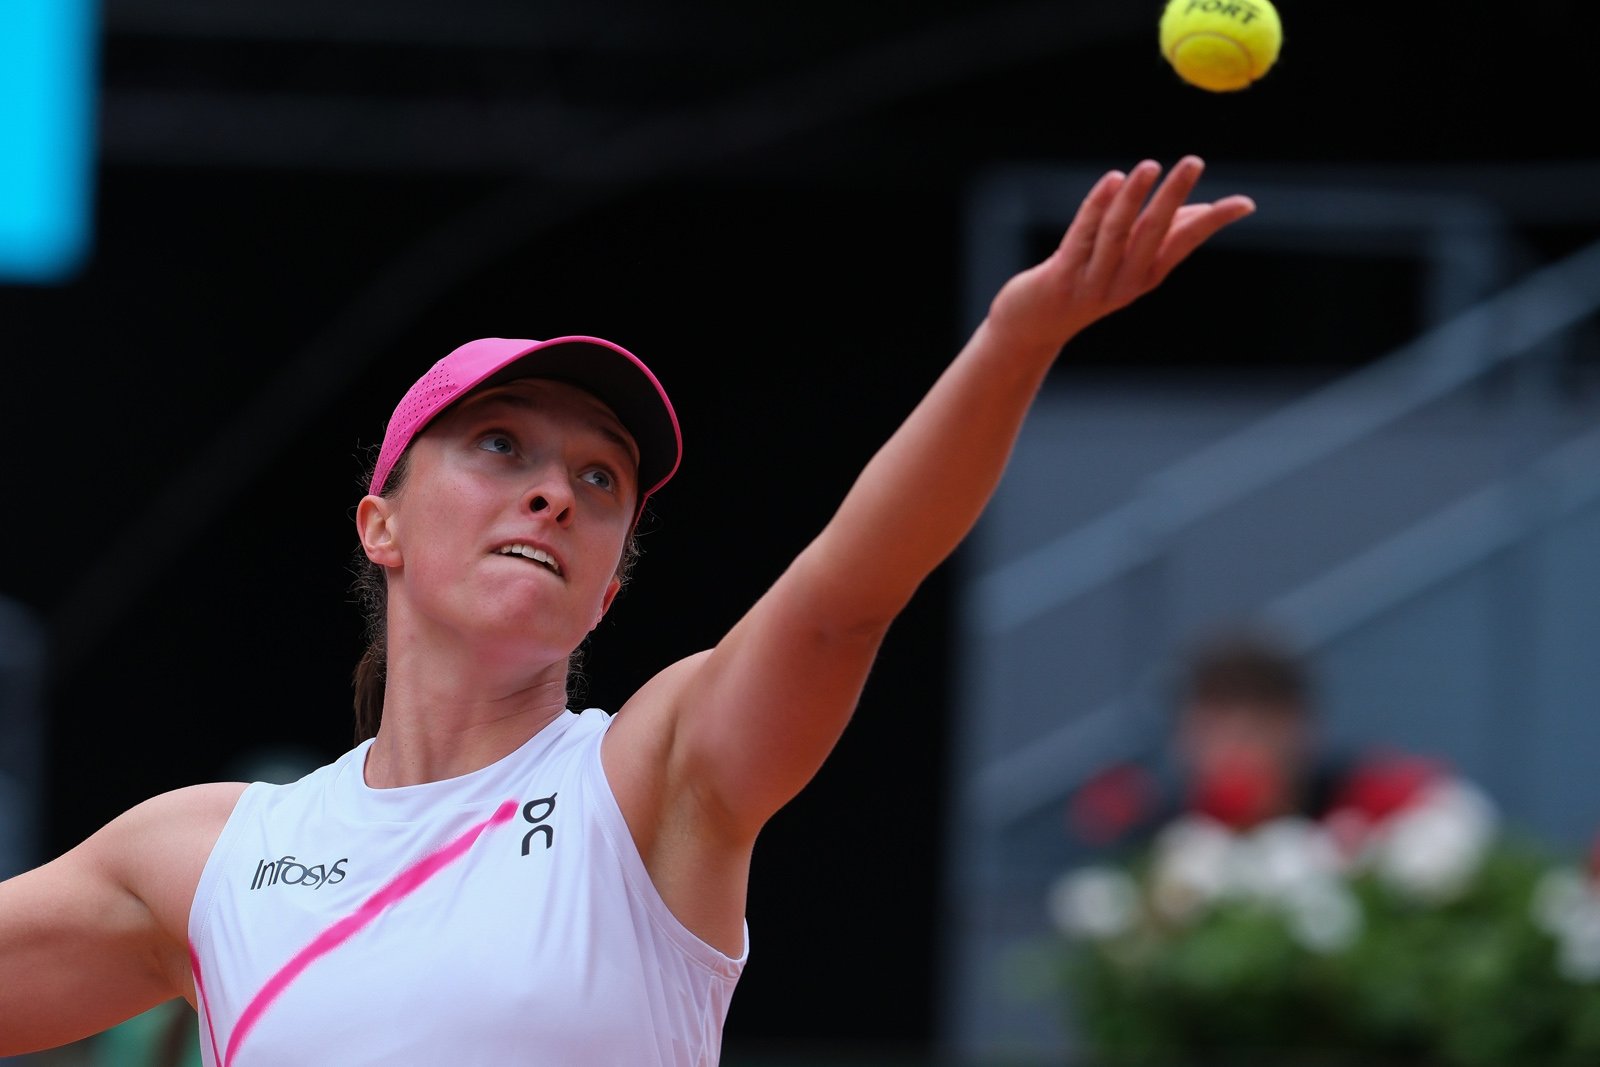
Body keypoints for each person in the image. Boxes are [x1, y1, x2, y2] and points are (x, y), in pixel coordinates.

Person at [0, 156, 1255, 1066]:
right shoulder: (209, 853)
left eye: (600, 479)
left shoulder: (652, 777)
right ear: (381, 524)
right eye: (499, 444)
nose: (554, 490)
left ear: (608, 586)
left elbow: (843, 599)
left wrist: (1013, 343)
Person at [1066, 624, 1351, 848]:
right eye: (1215, 729)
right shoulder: (1149, 846)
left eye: (1255, 730)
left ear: (1302, 730)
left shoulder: (1356, 824)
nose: (1237, 752)